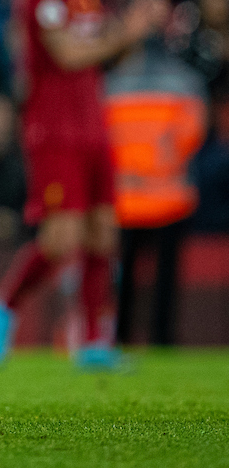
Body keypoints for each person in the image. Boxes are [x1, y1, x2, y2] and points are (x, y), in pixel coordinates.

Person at [0, 0, 168, 369]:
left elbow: (103, 53)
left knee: (104, 232)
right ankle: (3, 305)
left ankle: (93, 343)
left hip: (93, 124)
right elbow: (67, 54)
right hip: (52, 128)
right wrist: (128, 30)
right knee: (61, 238)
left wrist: (134, 33)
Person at [105, 40, 206, 346]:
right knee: (146, 279)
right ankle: (155, 338)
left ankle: (127, 338)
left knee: (132, 278)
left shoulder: (110, 84)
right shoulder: (185, 81)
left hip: (139, 196)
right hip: (156, 195)